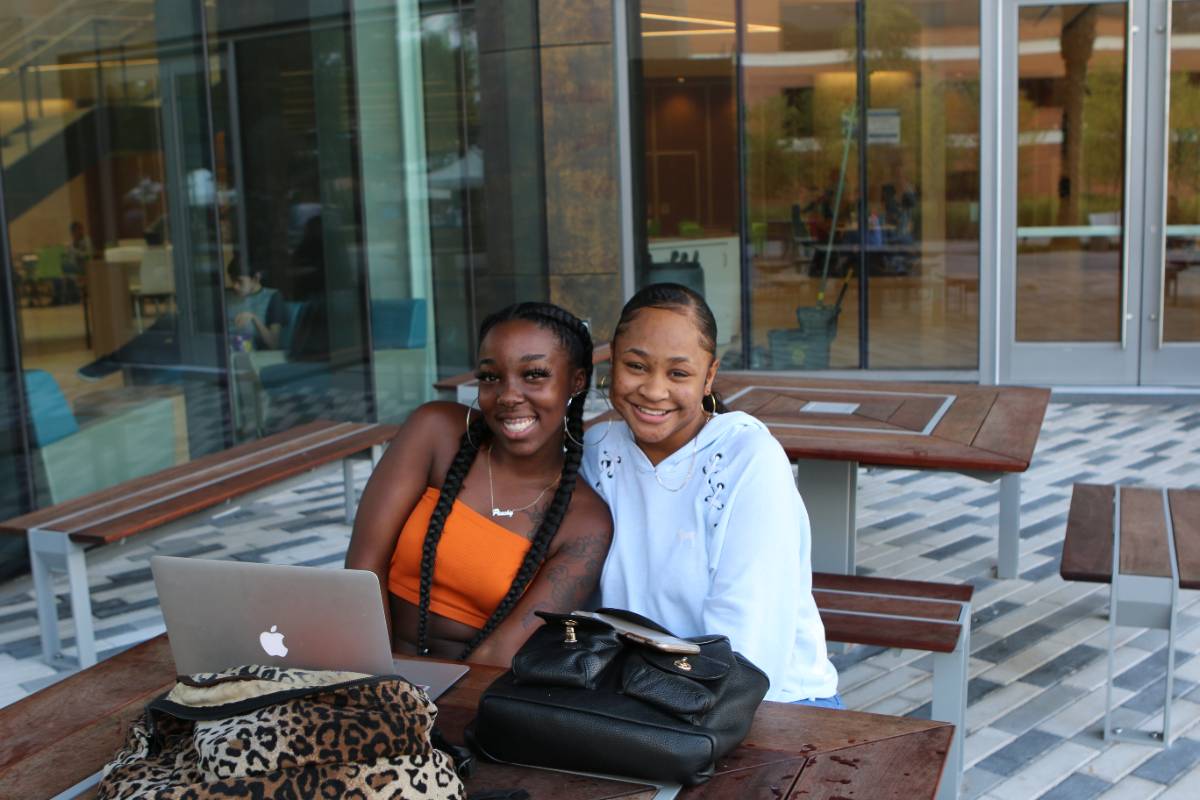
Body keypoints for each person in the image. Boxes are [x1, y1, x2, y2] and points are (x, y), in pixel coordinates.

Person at [581, 283, 840, 706]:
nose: (653, 389)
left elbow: (749, 654)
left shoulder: (748, 459)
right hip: (636, 699)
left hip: (770, 705)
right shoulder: (596, 451)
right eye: (636, 366)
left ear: (709, 377)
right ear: (612, 362)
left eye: (678, 373)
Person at [345, 302, 613, 666]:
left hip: (472, 694)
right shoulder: (435, 431)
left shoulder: (585, 521)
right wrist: (375, 678)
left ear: (576, 381)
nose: (507, 395)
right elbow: (363, 567)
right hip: (369, 666)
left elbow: (501, 654)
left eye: (534, 374)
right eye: (490, 377)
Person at [225, 259, 286, 350]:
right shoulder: (226, 295)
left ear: (256, 279)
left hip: (251, 350)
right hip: (223, 345)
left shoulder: (272, 297)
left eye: (240, 281)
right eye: (232, 280)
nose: (235, 286)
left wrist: (254, 318)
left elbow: (274, 343)